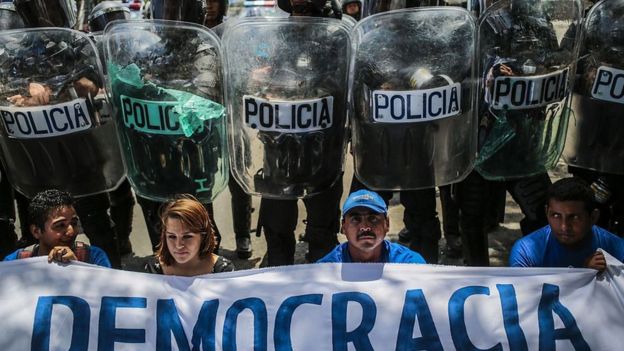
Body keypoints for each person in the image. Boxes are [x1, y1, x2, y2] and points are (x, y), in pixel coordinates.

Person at [509, 177, 624, 271]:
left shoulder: (617, 250)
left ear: (593, 217)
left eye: (574, 217)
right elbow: (522, 295)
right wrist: (584, 274)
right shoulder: (526, 252)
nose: (564, 226)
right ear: (546, 213)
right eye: (556, 216)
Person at [3, 189, 112, 267]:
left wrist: (77, 267)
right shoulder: (15, 262)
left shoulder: (94, 258)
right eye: (60, 226)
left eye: (74, 223)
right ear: (36, 231)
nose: (71, 231)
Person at [318, 190, 427, 263]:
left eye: (373, 219)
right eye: (356, 219)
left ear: (387, 224)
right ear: (343, 227)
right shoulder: (326, 269)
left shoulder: (410, 264)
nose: (365, 227)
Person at [145, 195, 235, 276]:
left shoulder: (223, 271)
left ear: (203, 236)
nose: (179, 245)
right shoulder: (154, 270)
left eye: (187, 236)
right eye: (172, 236)